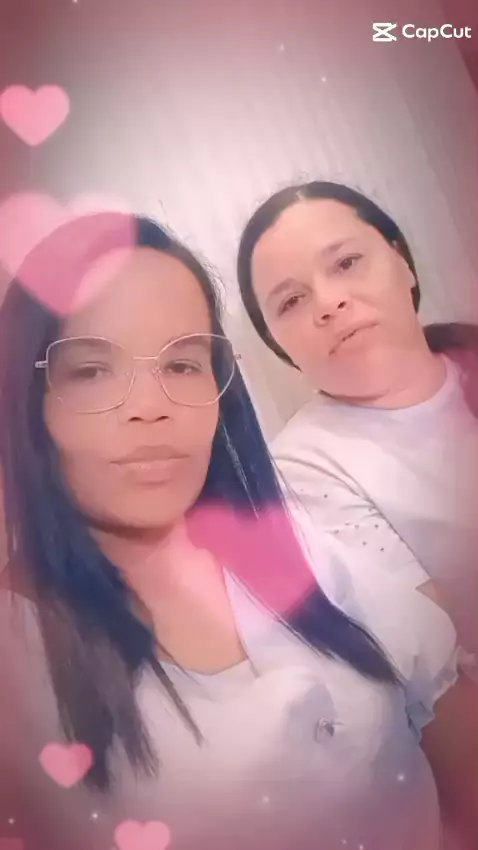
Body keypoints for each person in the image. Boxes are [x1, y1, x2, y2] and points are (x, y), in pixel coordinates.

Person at [0, 212, 476, 850]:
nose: (151, 406)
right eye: (91, 370)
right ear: (26, 398)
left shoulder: (285, 541)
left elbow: (443, 697)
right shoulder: (19, 662)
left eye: (182, 364)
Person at [237, 180, 478, 659]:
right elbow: (439, 665)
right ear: (279, 347)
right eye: (291, 301)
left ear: (402, 262)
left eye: (346, 263)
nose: (329, 303)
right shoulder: (306, 468)